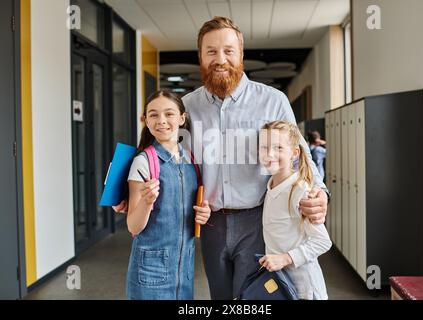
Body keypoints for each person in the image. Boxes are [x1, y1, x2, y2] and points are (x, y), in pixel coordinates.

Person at [115, 16, 329, 300]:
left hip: (257, 220)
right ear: (201, 57)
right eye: (211, 51)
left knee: (253, 297)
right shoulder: (188, 106)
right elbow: (166, 151)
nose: (220, 59)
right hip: (210, 223)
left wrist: (320, 192)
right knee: (221, 296)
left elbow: (299, 153)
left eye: (228, 50)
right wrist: (129, 192)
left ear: (241, 54)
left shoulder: (272, 100)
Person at [125, 90, 211, 300]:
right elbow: (133, 226)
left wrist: (204, 214)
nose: (161, 120)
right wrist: (146, 202)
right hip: (150, 272)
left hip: (184, 271)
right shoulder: (143, 162)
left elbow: (194, 208)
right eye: (153, 115)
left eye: (169, 114)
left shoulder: (191, 160)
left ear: (182, 118)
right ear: (145, 120)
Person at [258, 121, 332, 300]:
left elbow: (323, 241)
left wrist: (285, 258)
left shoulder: (300, 190)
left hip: (305, 290)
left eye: (278, 148)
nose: (270, 154)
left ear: (294, 153)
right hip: (283, 285)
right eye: (264, 147)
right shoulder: (271, 186)